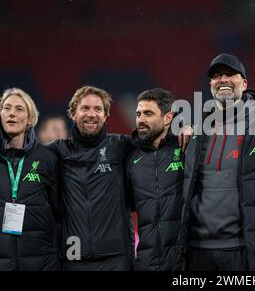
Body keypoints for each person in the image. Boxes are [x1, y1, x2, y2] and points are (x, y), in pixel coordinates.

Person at [179, 53, 255, 271]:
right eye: (216, 76)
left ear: (244, 83)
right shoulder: (196, 130)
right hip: (196, 247)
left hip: (242, 247)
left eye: (230, 74)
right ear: (210, 85)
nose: (222, 79)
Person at [48, 86, 134, 271]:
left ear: (105, 115)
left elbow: (155, 142)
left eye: (98, 109)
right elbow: (23, 153)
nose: (92, 114)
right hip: (73, 257)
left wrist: (187, 131)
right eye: (85, 108)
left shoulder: (121, 146)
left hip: (116, 259)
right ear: (73, 113)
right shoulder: (56, 151)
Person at [0, 88, 59, 270]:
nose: (12, 113)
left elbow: (61, 212)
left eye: (19, 109)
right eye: (7, 108)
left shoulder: (47, 158)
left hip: (41, 263)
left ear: (30, 118)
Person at [127, 88, 184, 270]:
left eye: (148, 113)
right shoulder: (129, 155)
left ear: (168, 118)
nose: (140, 120)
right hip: (146, 261)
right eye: (138, 114)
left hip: (185, 260)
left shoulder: (187, 146)